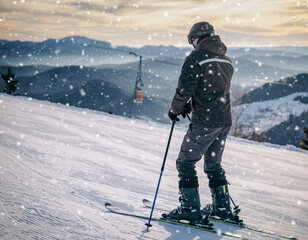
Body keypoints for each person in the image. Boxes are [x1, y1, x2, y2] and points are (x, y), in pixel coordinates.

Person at [167, 21, 236, 222]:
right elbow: (213, 89)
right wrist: (191, 103)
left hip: (206, 121)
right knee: (214, 165)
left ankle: (189, 208)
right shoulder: (226, 60)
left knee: (185, 162)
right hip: (224, 120)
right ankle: (222, 208)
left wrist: (176, 109)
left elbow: (185, 88)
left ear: (196, 38)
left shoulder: (196, 57)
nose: (192, 45)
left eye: (192, 41)